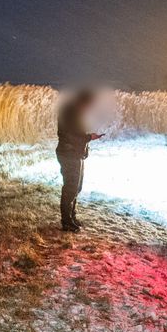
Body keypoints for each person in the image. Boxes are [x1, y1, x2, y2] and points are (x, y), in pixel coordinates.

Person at [55, 89, 103, 232]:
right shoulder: (69, 112)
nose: (88, 108)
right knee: (70, 188)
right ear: (83, 102)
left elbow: (77, 134)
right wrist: (89, 137)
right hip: (68, 154)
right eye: (89, 105)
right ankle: (66, 222)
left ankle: (72, 217)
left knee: (76, 187)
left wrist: (86, 146)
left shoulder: (76, 112)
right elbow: (70, 135)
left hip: (75, 154)